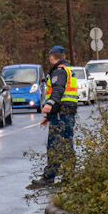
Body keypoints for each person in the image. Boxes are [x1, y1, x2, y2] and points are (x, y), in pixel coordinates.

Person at [28, 45, 78, 188]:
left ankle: (49, 177)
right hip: (67, 112)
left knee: (55, 145)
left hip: (61, 113)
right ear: (64, 57)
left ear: (51, 58)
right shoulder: (68, 69)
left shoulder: (59, 71)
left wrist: (49, 104)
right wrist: (48, 116)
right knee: (67, 144)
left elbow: (58, 89)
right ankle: (69, 177)